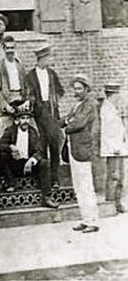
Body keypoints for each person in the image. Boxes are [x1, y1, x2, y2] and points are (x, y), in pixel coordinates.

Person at [0, 101, 59, 208]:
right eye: (22, 118)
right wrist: (10, 147)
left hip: (28, 166)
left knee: (44, 162)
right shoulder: (10, 131)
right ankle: (10, 183)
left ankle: (46, 197)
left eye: (27, 118)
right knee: (3, 156)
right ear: (17, 120)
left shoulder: (33, 132)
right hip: (14, 166)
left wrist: (32, 159)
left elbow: (39, 150)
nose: (25, 121)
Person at [61, 74, 100, 233]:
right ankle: (85, 218)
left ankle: (93, 221)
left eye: (79, 88)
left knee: (86, 186)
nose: (76, 91)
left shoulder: (90, 104)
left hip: (83, 149)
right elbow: (65, 119)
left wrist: (68, 123)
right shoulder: (77, 105)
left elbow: (78, 123)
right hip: (74, 149)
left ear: (86, 89)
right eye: (74, 88)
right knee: (78, 186)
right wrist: (67, 121)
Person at [24, 44, 65, 189]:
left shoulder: (52, 74)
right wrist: (34, 103)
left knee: (54, 145)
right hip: (38, 113)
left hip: (51, 111)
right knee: (41, 145)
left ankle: (54, 179)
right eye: (48, 57)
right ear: (42, 58)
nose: (50, 60)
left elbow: (60, 91)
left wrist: (53, 99)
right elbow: (28, 94)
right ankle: (43, 179)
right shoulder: (30, 75)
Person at [0, 36, 27, 136]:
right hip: (7, 101)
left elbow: (27, 86)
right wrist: (4, 105)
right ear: (3, 49)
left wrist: (26, 100)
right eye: (7, 48)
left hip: (20, 100)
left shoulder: (20, 66)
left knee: (22, 133)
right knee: (4, 133)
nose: (10, 51)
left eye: (12, 48)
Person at [101, 83, 128, 212]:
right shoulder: (106, 110)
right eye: (117, 94)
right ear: (112, 95)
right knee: (114, 176)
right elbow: (106, 132)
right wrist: (113, 147)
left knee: (121, 176)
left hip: (120, 147)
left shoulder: (113, 108)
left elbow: (120, 129)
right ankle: (110, 203)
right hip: (113, 149)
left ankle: (118, 202)